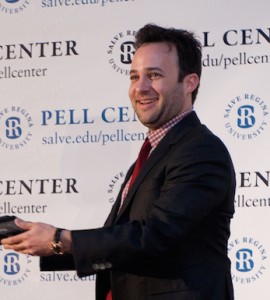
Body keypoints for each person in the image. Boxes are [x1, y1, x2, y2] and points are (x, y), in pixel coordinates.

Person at [1, 24, 235, 300]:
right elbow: (124, 240)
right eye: (134, 76)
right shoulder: (154, 152)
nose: (141, 87)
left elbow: (155, 237)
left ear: (190, 82)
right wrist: (39, 240)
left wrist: (58, 239)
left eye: (154, 75)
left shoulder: (201, 150)